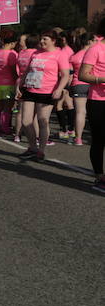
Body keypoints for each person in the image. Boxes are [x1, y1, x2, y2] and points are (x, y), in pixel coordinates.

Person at [15, 29, 71, 161]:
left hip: (47, 91)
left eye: (45, 39)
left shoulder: (59, 54)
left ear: (53, 41)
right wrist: (19, 86)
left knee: (42, 121)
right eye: (41, 38)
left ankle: (41, 150)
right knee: (26, 121)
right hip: (30, 89)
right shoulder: (35, 53)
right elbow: (27, 71)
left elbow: (65, 75)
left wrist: (59, 89)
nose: (42, 41)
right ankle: (33, 147)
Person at [79, 21, 105, 192]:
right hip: (98, 101)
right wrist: (102, 79)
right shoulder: (96, 49)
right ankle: (99, 176)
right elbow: (83, 75)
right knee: (100, 140)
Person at [0, 31, 19, 138]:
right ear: (12, 43)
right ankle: (5, 127)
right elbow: (13, 70)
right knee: (7, 108)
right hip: (9, 84)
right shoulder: (12, 54)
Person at [69, 33, 93, 146]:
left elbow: (70, 73)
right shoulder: (95, 54)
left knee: (80, 112)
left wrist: (69, 87)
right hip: (94, 84)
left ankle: (78, 139)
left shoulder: (74, 56)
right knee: (96, 112)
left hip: (78, 84)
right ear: (89, 41)